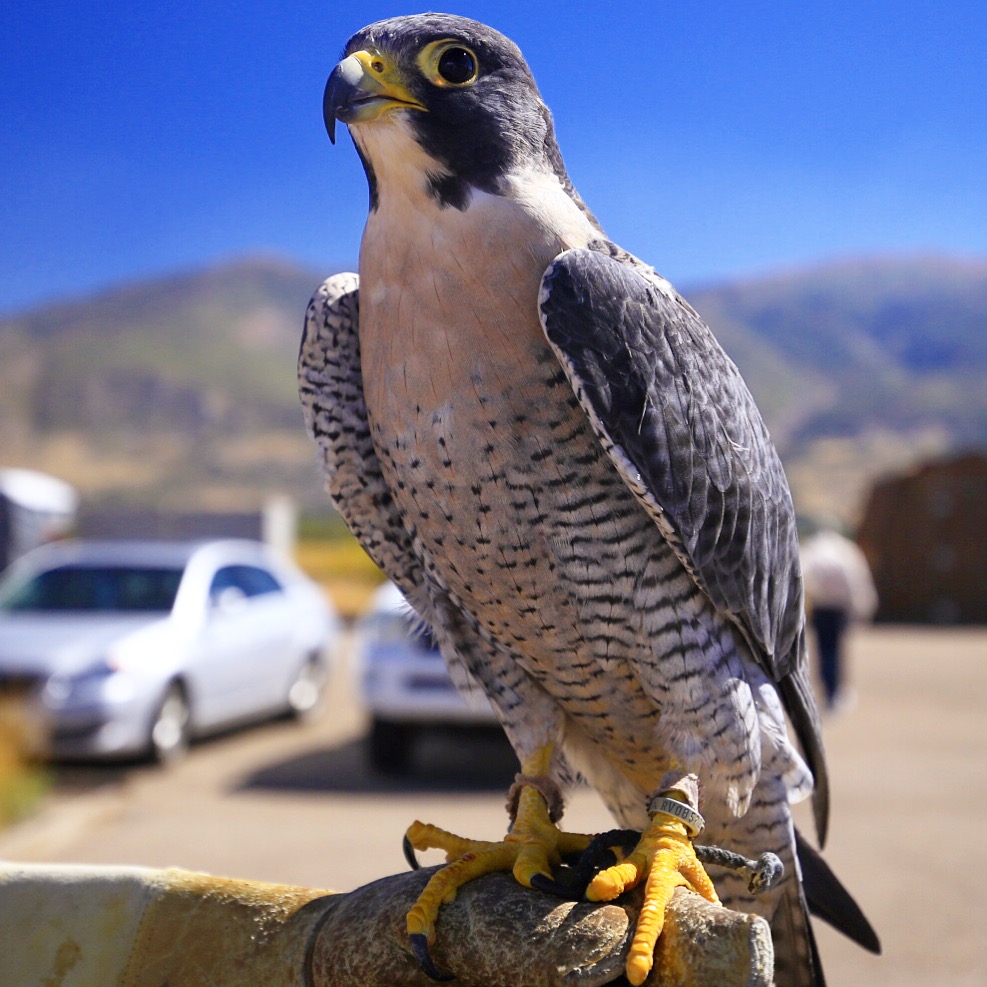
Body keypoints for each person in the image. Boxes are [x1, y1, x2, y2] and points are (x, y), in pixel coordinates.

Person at [801, 525, 878, 711]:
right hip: (838, 609)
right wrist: (863, 607)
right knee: (835, 650)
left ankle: (829, 690)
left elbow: (802, 575)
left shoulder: (813, 550)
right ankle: (834, 690)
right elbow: (857, 580)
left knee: (823, 650)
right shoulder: (845, 551)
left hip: (820, 608)